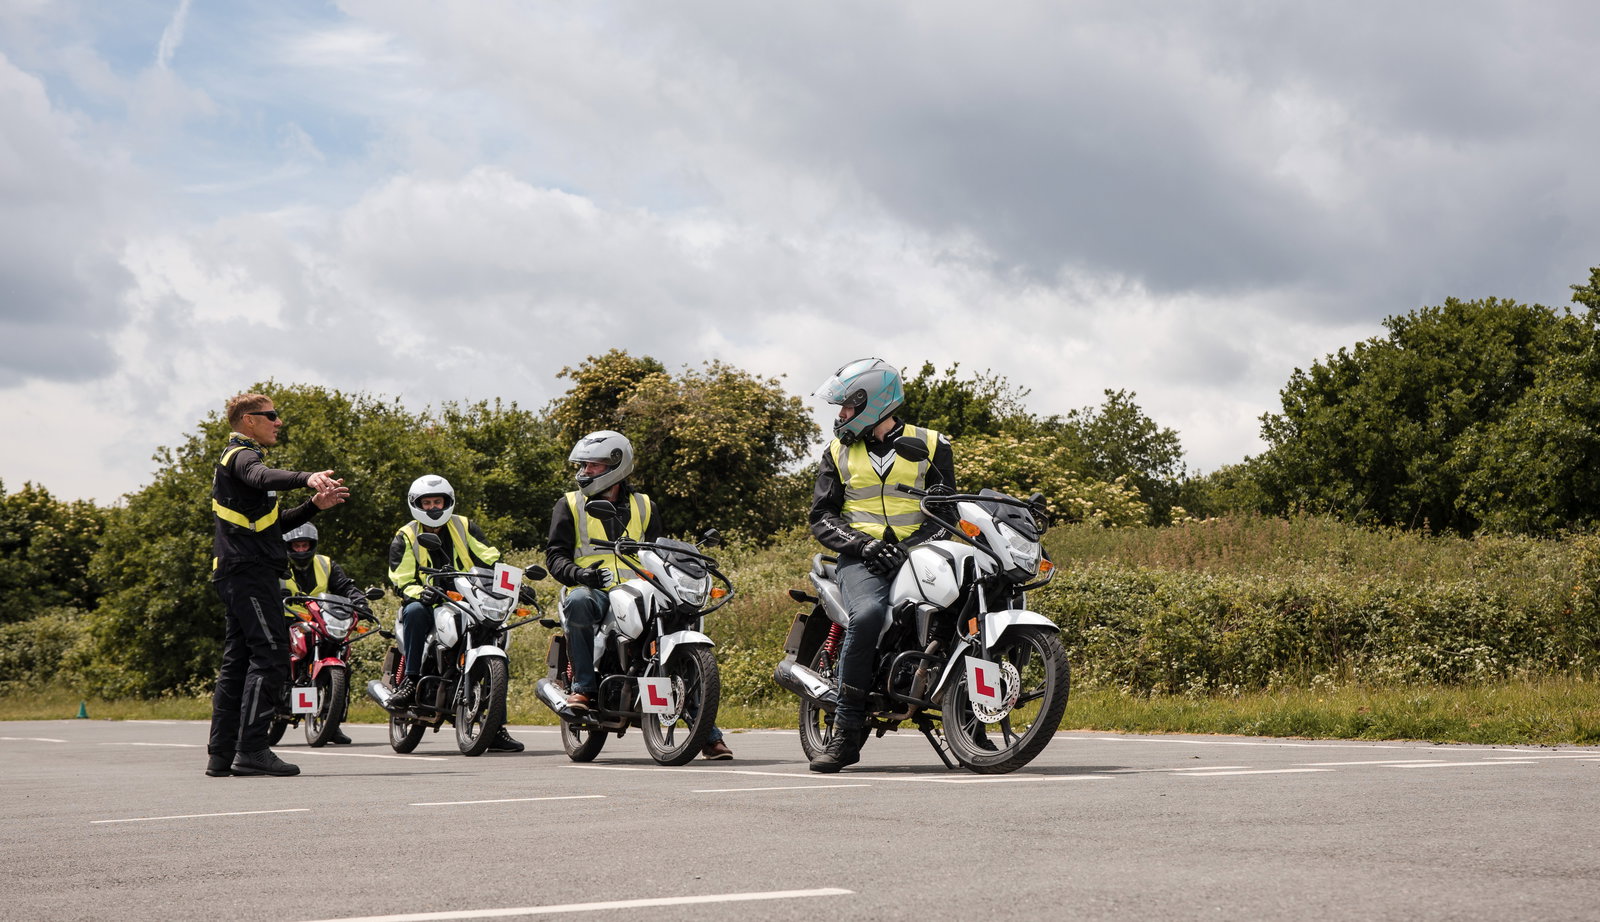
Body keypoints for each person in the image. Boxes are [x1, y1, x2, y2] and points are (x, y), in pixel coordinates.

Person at [545, 430, 733, 760]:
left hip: (642, 589)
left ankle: (705, 731)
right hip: (595, 589)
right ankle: (583, 689)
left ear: (616, 467)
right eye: (583, 465)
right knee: (577, 602)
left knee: (678, 624)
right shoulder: (570, 504)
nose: (585, 471)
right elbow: (556, 555)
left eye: (593, 466)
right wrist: (579, 574)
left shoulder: (644, 505)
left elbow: (659, 549)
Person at [806, 358, 955, 773]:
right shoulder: (837, 451)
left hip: (919, 556)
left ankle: (968, 720)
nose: (840, 416)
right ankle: (846, 731)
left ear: (871, 404)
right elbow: (822, 516)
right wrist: (864, 545)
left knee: (956, 613)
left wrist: (912, 548)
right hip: (860, 559)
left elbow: (944, 509)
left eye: (846, 407)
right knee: (868, 615)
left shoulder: (932, 444)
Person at [207, 393, 348, 778]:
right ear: (248, 420)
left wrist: (314, 507)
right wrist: (306, 478)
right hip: (250, 574)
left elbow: (271, 525)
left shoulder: (241, 462)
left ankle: (221, 755)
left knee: (238, 664)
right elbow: (259, 475)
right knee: (271, 655)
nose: (278, 421)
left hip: (242, 571)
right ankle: (251, 749)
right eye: (271, 415)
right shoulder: (240, 455)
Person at [385, 474, 524, 753]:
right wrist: (417, 592)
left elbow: (491, 558)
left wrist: (518, 585)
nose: (434, 507)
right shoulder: (407, 535)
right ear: (417, 504)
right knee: (414, 613)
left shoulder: (464, 526)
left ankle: (495, 726)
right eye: (428, 502)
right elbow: (400, 578)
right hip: (428, 598)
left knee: (495, 637)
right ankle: (411, 680)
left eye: (438, 501)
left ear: (447, 502)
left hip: (468, 595)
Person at [282, 523, 373, 745]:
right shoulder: (278, 564)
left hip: (320, 620)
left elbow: (345, 587)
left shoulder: (326, 564)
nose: (301, 549)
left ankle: (332, 724)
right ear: (289, 546)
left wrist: (361, 603)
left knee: (341, 656)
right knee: (271, 656)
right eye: (297, 545)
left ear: (312, 545)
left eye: (305, 545)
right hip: (287, 618)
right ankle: (272, 704)